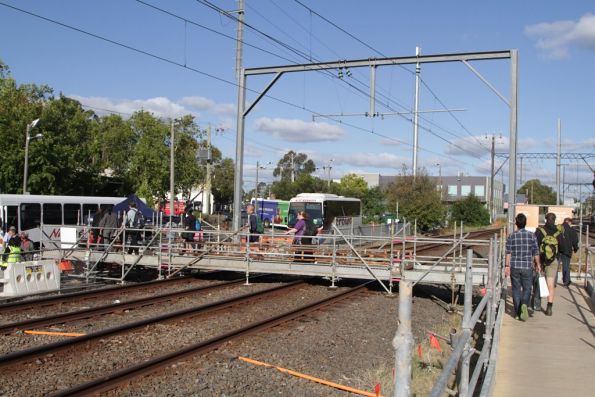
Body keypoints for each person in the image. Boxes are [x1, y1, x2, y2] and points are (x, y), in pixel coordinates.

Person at [505, 213, 541, 321]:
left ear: (516, 223)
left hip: (515, 266)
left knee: (516, 289)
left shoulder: (511, 236)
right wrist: (538, 265)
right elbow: (536, 252)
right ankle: (524, 303)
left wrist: (507, 266)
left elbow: (508, 252)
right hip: (527, 267)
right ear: (525, 223)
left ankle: (517, 313)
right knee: (527, 288)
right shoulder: (532, 236)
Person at [534, 212, 562, 316]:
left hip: (541, 260)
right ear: (554, 220)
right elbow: (562, 248)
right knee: (550, 284)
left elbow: (535, 246)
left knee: (539, 281)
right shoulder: (558, 232)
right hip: (553, 261)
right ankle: (549, 307)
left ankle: (537, 304)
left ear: (546, 219)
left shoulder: (539, 231)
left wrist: (536, 262)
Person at [558, 217, 579, 287]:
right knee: (566, 266)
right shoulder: (571, 230)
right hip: (567, 251)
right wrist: (576, 248)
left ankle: (553, 282)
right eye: (571, 223)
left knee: (555, 266)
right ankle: (566, 282)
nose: (571, 224)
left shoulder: (558, 228)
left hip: (557, 250)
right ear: (568, 222)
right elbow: (575, 241)